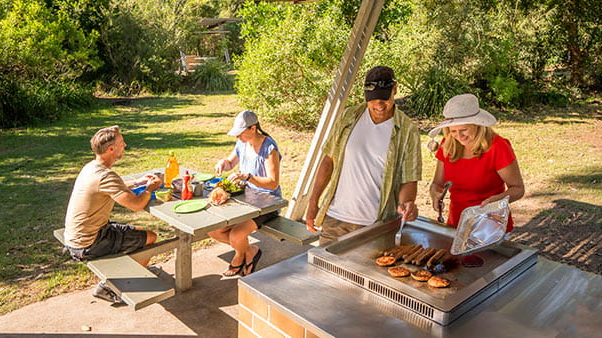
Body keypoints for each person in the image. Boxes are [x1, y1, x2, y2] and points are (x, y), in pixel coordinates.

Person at [305, 66, 422, 244]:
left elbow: (409, 178)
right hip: (335, 220)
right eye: (373, 100)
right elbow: (329, 161)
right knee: (323, 270)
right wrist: (313, 202)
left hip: (374, 225)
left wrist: (407, 203)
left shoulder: (407, 131)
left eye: (385, 98)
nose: (379, 105)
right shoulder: (349, 117)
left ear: (395, 89)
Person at [63, 125, 161, 303]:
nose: (125, 145)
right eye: (122, 143)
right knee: (151, 237)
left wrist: (136, 182)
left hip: (78, 236)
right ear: (111, 149)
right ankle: (111, 287)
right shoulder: (106, 176)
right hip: (89, 243)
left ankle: (139, 271)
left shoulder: (92, 167)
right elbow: (137, 205)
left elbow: (113, 186)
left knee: (139, 231)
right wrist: (149, 188)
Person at [428, 93, 525, 232]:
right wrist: (435, 195)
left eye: (464, 130)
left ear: (478, 125)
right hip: (456, 223)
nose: (459, 136)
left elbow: (518, 189)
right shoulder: (447, 145)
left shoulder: (498, 147)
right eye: (453, 131)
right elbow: (437, 184)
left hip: (490, 225)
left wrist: (496, 200)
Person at [210, 110, 282, 276]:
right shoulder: (242, 143)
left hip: (267, 203)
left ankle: (239, 255)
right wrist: (224, 163)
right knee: (214, 230)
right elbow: (230, 162)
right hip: (246, 198)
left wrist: (248, 177)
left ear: (253, 128)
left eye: (240, 133)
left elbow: (273, 183)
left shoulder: (269, 148)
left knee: (236, 235)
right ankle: (250, 251)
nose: (238, 137)